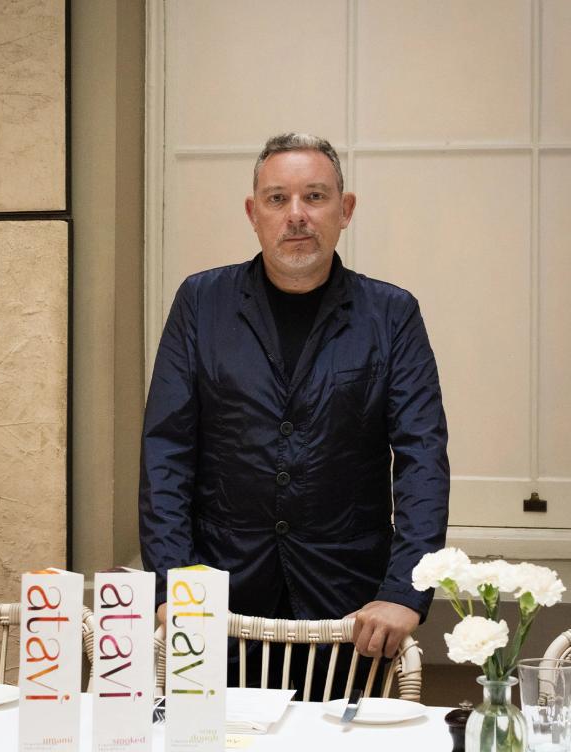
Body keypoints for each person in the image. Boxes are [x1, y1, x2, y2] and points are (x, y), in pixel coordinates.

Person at [139, 133, 449, 692]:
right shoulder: (201, 303)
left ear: (345, 209)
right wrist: (169, 588)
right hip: (217, 605)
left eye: (315, 196)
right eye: (278, 199)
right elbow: (166, 450)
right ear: (253, 213)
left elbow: (422, 457)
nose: (297, 216)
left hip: (349, 608)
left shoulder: (391, 314)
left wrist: (404, 591)